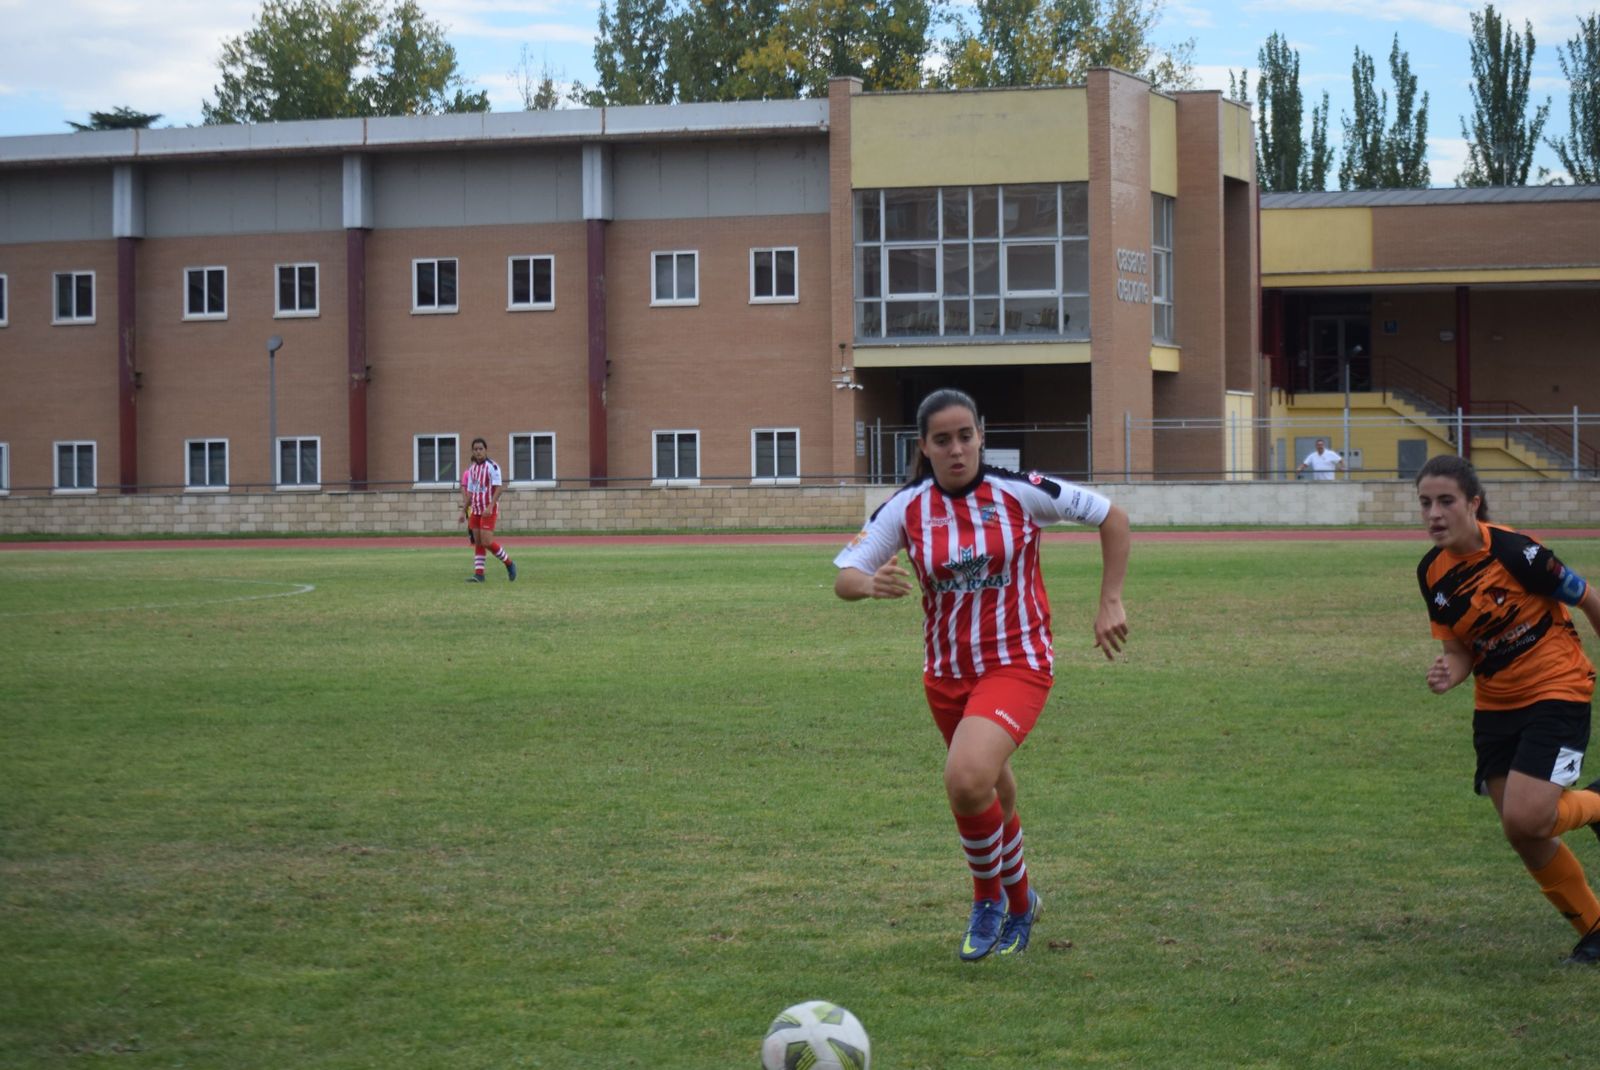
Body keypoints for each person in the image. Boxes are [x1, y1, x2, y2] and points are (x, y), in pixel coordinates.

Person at [833, 388, 1130, 960]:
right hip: (946, 676)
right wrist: (868, 583)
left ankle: (987, 899)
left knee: (966, 778)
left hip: (1017, 663)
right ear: (924, 447)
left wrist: (1110, 600)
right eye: (942, 440)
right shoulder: (908, 507)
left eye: (965, 436)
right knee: (992, 791)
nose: (956, 449)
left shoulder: (1019, 492)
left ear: (981, 436)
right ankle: (1022, 902)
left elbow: (1111, 516)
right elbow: (845, 573)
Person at [1415, 454, 1600, 963]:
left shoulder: (1520, 554)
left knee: (1528, 818)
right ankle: (1594, 926)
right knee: (1522, 832)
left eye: (1446, 501)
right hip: (1496, 706)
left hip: (1558, 688)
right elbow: (1460, 651)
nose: (1434, 514)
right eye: (1425, 503)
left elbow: (1588, 598)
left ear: (1473, 503)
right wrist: (1448, 673)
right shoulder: (1431, 573)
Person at [459, 437, 517, 583]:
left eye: (481, 449)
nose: (478, 452)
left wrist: (490, 506)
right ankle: (479, 574)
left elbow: (499, 488)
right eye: (475, 449)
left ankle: (509, 563)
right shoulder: (472, 469)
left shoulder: (493, 467)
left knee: (487, 541)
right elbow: (470, 493)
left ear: (485, 450)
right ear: (472, 451)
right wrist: (463, 511)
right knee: (478, 542)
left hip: (488, 510)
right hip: (476, 510)